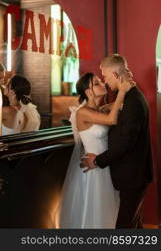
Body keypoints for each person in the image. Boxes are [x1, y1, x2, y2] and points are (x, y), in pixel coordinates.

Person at [80, 54, 153, 228]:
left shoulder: (133, 101)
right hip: (131, 174)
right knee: (134, 226)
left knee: (123, 228)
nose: (104, 81)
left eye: (104, 76)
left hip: (132, 176)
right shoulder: (129, 98)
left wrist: (97, 160)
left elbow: (125, 143)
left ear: (114, 75)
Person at [56, 71, 131, 228]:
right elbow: (112, 119)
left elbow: (114, 109)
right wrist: (121, 91)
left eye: (101, 81)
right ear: (88, 91)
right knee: (94, 212)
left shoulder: (99, 110)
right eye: (97, 83)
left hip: (104, 164)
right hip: (93, 170)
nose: (103, 84)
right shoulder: (83, 112)